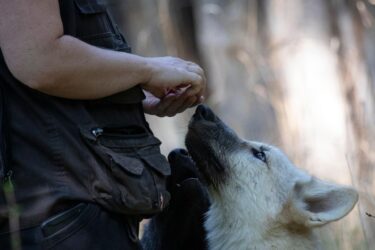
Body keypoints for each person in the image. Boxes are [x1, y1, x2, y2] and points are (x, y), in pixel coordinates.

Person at [0, 0, 206, 249]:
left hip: (67, 213)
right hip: (60, 221)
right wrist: (148, 70)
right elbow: (38, 58)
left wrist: (131, 95)